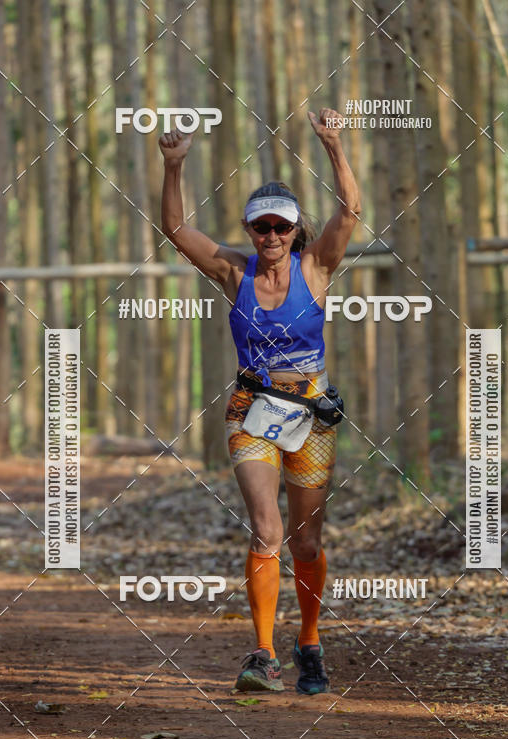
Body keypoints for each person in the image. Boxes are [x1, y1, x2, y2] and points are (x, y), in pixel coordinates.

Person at [159, 108, 360, 694]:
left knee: (307, 540)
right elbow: (176, 229)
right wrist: (175, 167)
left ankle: (310, 642)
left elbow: (350, 211)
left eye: (281, 228)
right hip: (252, 413)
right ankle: (264, 655)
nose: (271, 237)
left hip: (311, 415)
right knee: (265, 530)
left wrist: (334, 146)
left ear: (296, 230)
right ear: (249, 231)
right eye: (261, 228)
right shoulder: (232, 272)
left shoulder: (316, 267)